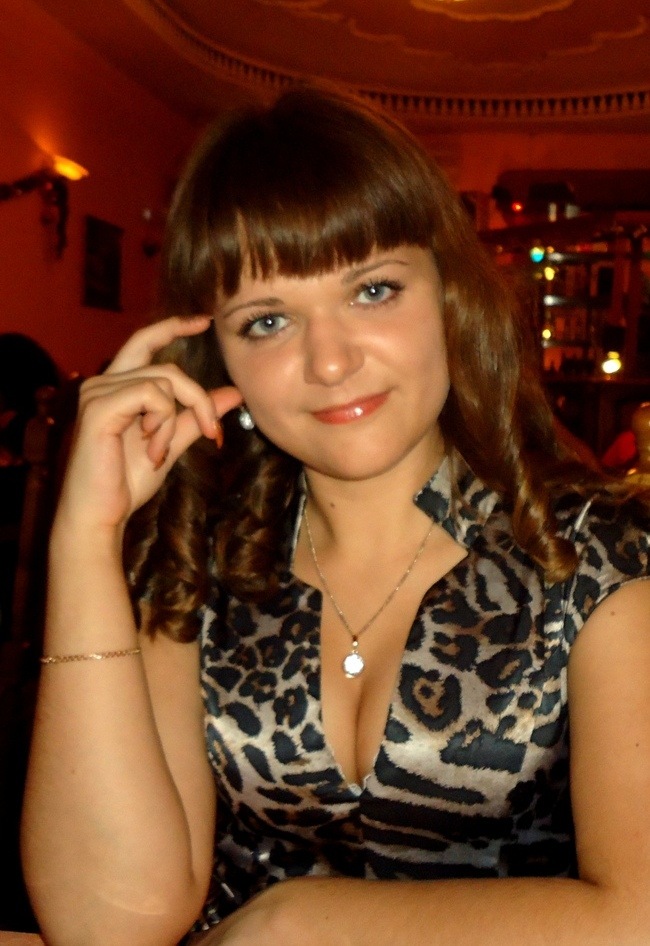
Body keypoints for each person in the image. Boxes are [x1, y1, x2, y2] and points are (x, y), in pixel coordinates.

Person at [21, 84, 650, 946]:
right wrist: (85, 537)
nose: (328, 361)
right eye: (268, 320)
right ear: (214, 354)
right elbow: (104, 924)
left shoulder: (597, 555)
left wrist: (297, 923)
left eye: (373, 290)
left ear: (449, 294)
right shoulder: (199, 561)